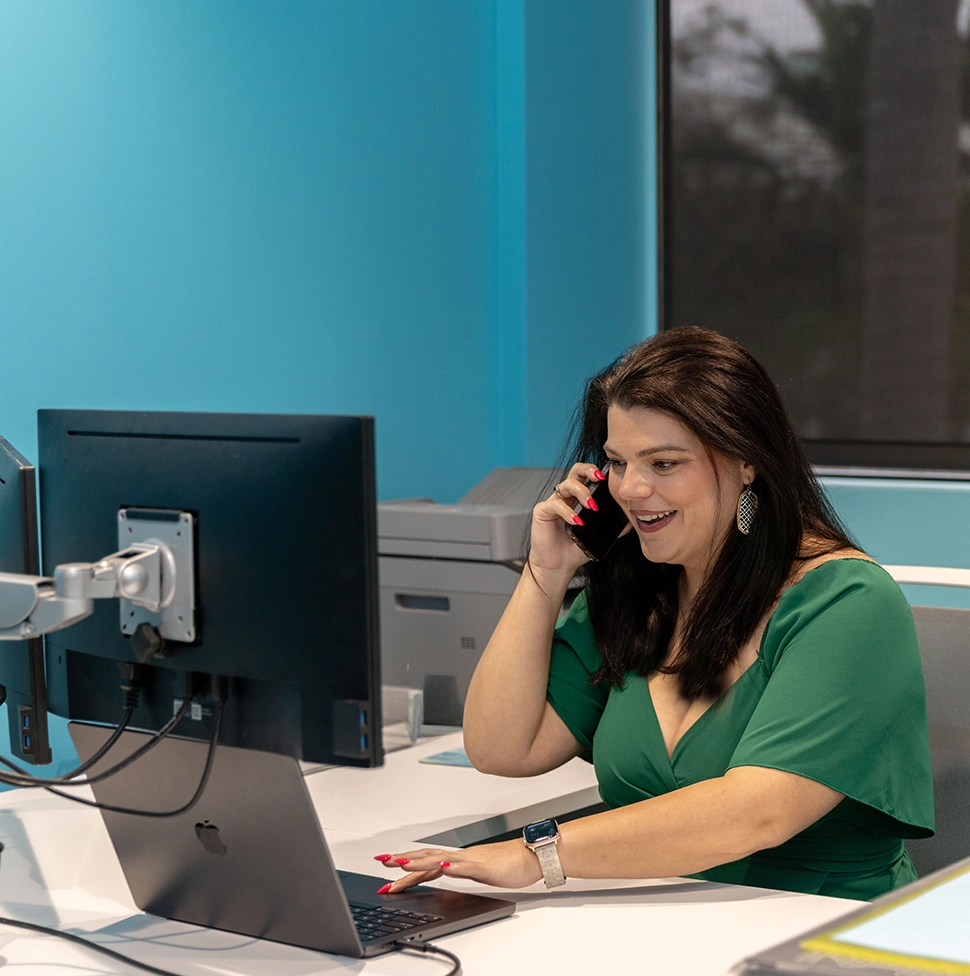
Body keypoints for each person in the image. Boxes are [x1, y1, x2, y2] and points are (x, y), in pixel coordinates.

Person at [374, 327, 934, 901]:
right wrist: (547, 572)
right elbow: (502, 750)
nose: (632, 489)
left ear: (747, 463)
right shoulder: (637, 593)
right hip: (659, 924)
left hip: (813, 932)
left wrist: (536, 854)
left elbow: (757, 812)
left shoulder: (847, 602)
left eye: (664, 463)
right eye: (616, 462)